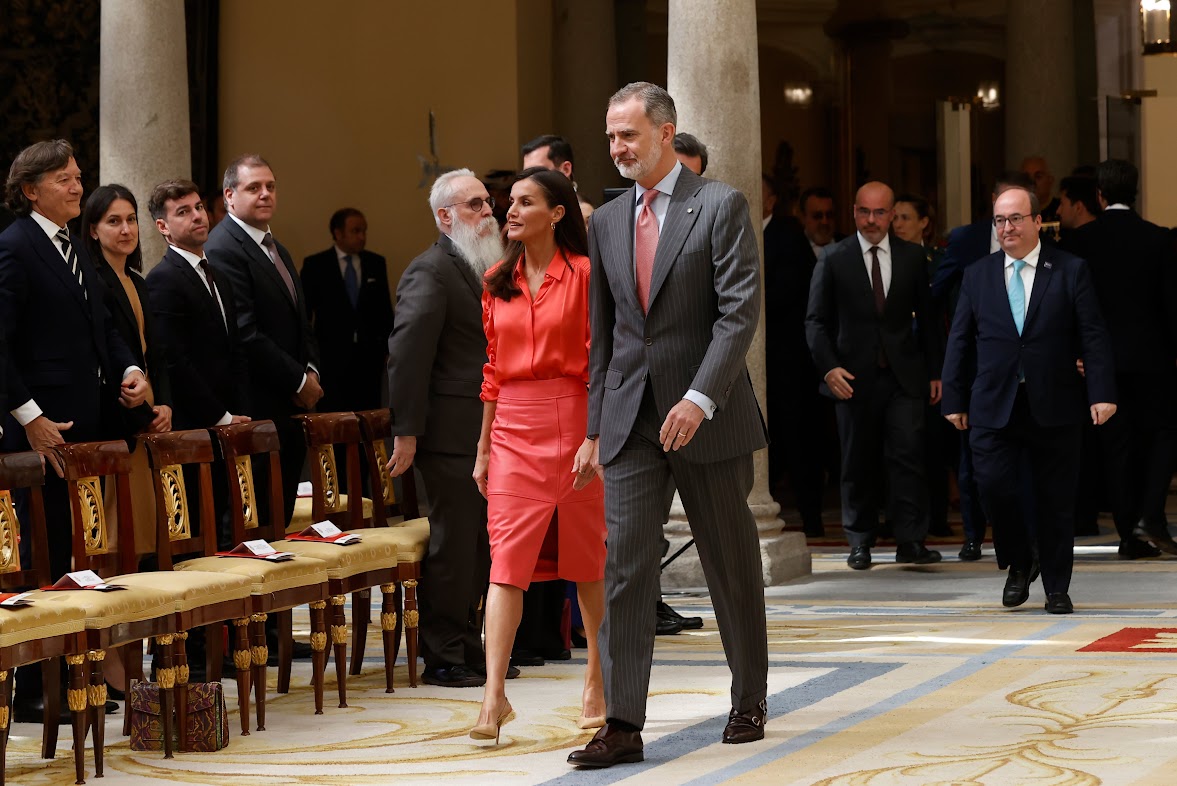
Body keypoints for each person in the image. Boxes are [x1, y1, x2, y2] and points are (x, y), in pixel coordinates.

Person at [567, 82, 769, 769]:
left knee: (728, 562)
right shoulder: (605, 220)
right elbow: (603, 334)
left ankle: (748, 697)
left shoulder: (720, 206)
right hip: (629, 421)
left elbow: (737, 314)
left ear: (664, 132)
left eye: (627, 135)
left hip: (704, 418)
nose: (617, 148)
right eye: (610, 137)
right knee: (624, 567)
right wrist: (594, 427)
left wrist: (699, 397)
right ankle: (622, 722)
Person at [0, 139, 148, 722]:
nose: (76, 187)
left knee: (74, 555)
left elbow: (102, 330)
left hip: (85, 427)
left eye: (78, 176)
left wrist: (130, 369)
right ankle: (36, 690)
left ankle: (71, 680)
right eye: (64, 179)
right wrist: (30, 417)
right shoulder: (14, 248)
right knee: (44, 557)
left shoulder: (75, 248)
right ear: (31, 189)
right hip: (42, 431)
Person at [470, 167, 607, 742]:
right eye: (509, 203)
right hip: (512, 434)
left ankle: (598, 680)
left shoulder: (585, 275)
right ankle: (492, 697)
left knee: (587, 563)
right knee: (506, 566)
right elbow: (493, 372)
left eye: (525, 202)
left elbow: (605, 360)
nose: (511, 211)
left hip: (576, 420)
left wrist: (596, 436)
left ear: (557, 213)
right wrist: (482, 447)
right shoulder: (496, 279)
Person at [941, 186, 1116, 614]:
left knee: (1056, 498)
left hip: (1054, 400)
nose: (1007, 228)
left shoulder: (1070, 269)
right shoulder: (978, 274)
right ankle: (1020, 560)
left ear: (1039, 222)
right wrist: (953, 396)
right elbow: (960, 339)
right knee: (994, 489)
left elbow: (1093, 333)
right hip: (992, 402)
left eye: (1016, 218)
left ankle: (1057, 586)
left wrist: (1102, 391)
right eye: (1000, 220)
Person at [386, 168, 502, 688]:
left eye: (487, 203)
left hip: (486, 432)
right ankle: (444, 654)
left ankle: (472, 646)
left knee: (481, 545)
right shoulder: (429, 271)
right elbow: (407, 356)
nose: (488, 212)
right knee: (454, 546)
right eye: (475, 205)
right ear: (445, 216)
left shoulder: (481, 266)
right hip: (450, 433)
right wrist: (406, 430)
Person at [806, 182, 944, 570]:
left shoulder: (913, 257)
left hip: (904, 377)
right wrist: (829, 367)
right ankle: (860, 541)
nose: (872, 220)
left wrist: (936, 372)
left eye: (880, 212)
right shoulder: (834, 258)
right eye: (864, 212)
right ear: (854, 213)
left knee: (908, 457)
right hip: (852, 377)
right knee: (857, 460)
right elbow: (815, 321)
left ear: (891, 214)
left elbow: (930, 322)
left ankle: (910, 541)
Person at [205, 154, 321, 531]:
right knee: (251, 527)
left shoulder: (276, 247)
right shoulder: (223, 247)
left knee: (277, 523)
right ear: (229, 197)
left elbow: (300, 321)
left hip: (286, 405)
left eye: (270, 186)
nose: (265, 194)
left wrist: (311, 370)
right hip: (256, 404)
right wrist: (299, 382)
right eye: (253, 187)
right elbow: (245, 331)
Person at [932, 170, 1035, 560]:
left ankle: (1025, 545)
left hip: (1029, 376)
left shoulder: (1049, 252)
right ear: (994, 203)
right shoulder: (965, 241)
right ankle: (974, 535)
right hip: (980, 372)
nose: (1011, 222)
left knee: (1022, 470)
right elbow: (939, 296)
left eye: (1020, 213)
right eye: (1004, 213)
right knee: (976, 465)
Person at [146, 178, 252, 548]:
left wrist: (238, 411)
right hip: (194, 427)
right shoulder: (162, 280)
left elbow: (234, 348)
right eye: (183, 212)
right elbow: (176, 361)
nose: (197, 217)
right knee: (199, 534)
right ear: (163, 227)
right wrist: (220, 417)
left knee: (230, 529)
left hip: (229, 421)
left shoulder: (217, 273)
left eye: (199, 208)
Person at [1082, 160, 1177, 558]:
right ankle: (1150, 514)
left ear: (1099, 195)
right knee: (1163, 433)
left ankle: (1128, 534)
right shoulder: (1159, 239)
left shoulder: (1080, 241)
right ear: (1135, 192)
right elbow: (1171, 304)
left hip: (1101, 361)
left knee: (1116, 448)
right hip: (1152, 357)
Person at [81, 185, 174, 556]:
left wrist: (164, 403)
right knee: (119, 532)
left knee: (148, 530)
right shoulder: (93, 280)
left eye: (131, 220)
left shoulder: (137, 280)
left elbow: (156, 354)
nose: (126, 230)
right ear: (93, 229)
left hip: (149, 411)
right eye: (113, 221)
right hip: (118, 414)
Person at [764, 179, 828, 537]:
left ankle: (813, 520)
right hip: (756, 363)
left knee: (800, 443)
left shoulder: (788, 236)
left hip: (789, 361)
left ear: (770, 199)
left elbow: (788, 292)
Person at [892, 193, 953, 540]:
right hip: (898, 361)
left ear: (924, 223)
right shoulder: (888, 260)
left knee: (933, 445)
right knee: (900, 447)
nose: (898, 224)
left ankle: (937, 516)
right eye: (895, 217)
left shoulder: (938, 261)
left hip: (928, 361)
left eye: (905, 217)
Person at [301, 208, 394, 415]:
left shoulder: (376, 263)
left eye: (364, 231)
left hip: (369, 357)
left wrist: (388, 347)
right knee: (333, 417)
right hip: (330, 357)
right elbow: (304, 315)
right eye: (356, 231)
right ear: (338, 233)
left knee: (368, 418)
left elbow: (385, 310)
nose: (362, 237)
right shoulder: (316, 265)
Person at [1021, 155, 1059, 221]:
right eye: (1026, 177)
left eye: (1038, 176)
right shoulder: (1015, 211)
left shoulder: (1060, 210)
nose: (1032, 182)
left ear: (1050, 180)